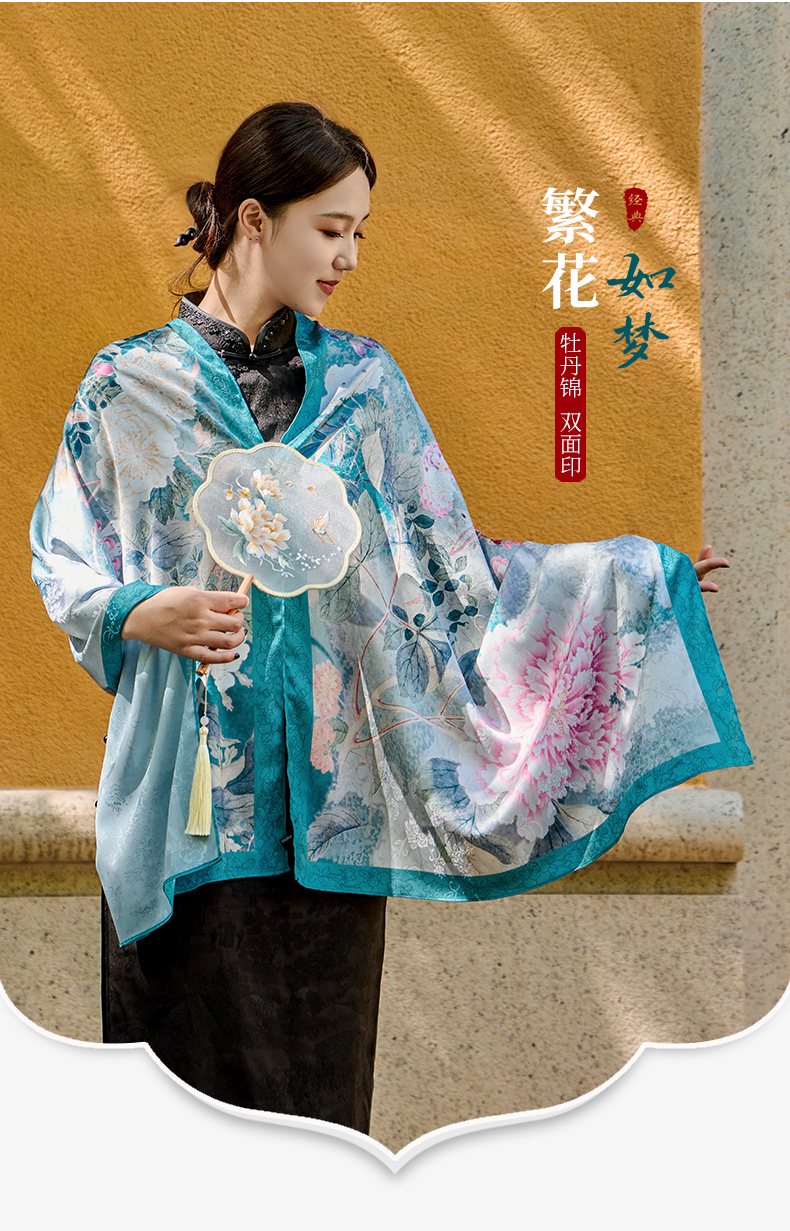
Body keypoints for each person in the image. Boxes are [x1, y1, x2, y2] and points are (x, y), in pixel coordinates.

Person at [30, 102, 751, 1134]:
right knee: (173, 1139)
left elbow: (454, 571)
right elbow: (63, 558)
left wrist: (636, 581)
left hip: (331, 829)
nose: (350, 256)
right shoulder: (128, 386)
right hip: (184, 826)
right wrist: (146, 611)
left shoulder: (364, 388)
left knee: (321, 1131)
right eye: (331, 229)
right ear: (252, 220)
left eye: (358, 231)